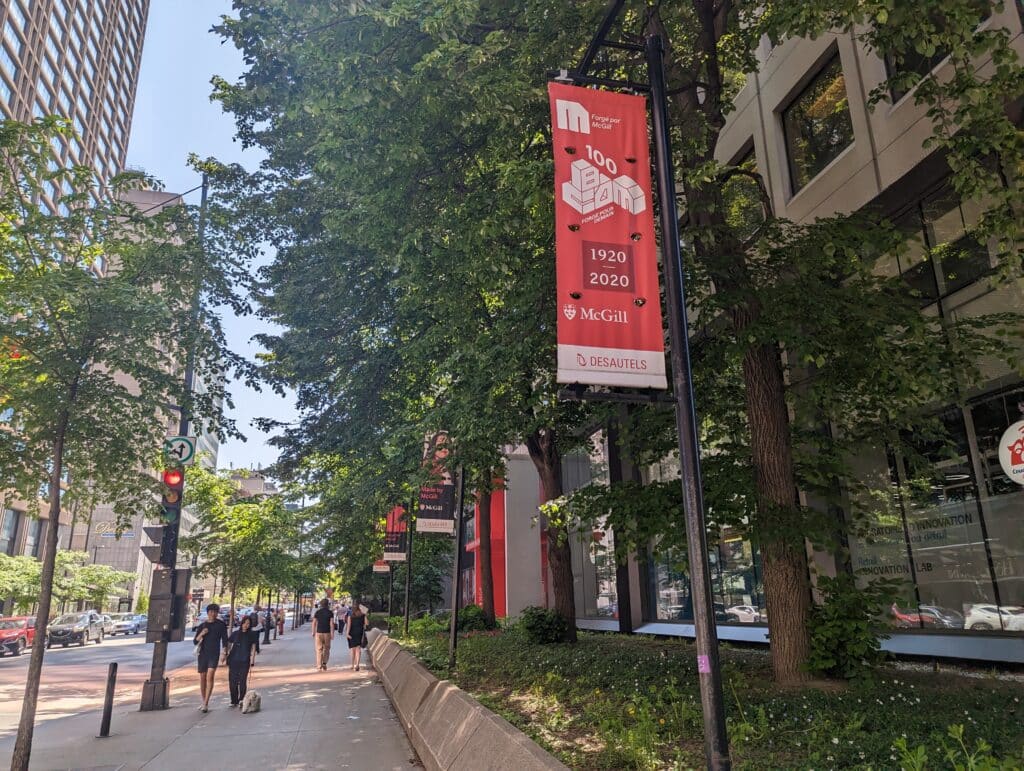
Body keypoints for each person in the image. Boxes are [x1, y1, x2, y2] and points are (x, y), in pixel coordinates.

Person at [193, 603, 229, 712]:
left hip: (214, 654)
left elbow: (225, 640)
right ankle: (204, 701)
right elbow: (195, 641)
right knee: (202, 678)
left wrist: (224, 653)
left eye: (215, 612)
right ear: (208, 613)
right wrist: (202, 634)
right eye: (211, 612)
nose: (213, 614)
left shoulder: (221, 625)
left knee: (210, 676)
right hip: (203, 654)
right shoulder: (202, 626)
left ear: (217, 613)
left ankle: (206, 703)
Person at [226, 614, 260, 707]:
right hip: (233, 660)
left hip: (244, 661)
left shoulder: (252, 635)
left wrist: (252, 660)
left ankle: (241, 699)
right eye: (244, 623)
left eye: (248, 623)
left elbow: (253, 648)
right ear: (242, 623)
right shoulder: (235, 633)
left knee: (242, 681)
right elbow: (229, 644)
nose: (246, 625)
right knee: (232, 682)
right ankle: (234, 700)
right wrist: (225, 654)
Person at [311, 598, 334, 670]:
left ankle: (319, 665)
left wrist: (313, 632)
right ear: (328, 604)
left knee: (319, 649)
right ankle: (324, 663)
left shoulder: (318, 612)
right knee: (327, 648)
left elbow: (314, 622)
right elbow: (331, 624)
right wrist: (332, 633)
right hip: (327, 633)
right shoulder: (330, 613)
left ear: (321, 604)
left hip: (319, 632)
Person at [344, 603, 367, 672]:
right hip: (359, 633)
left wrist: (347, 634)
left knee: (352, 650)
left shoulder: (350, 616)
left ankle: (352, 665)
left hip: (352, 633)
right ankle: (357, 664)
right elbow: (367, 623)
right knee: (358, 649)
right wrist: (365, 614)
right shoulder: (362, 616)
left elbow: (349, 626)